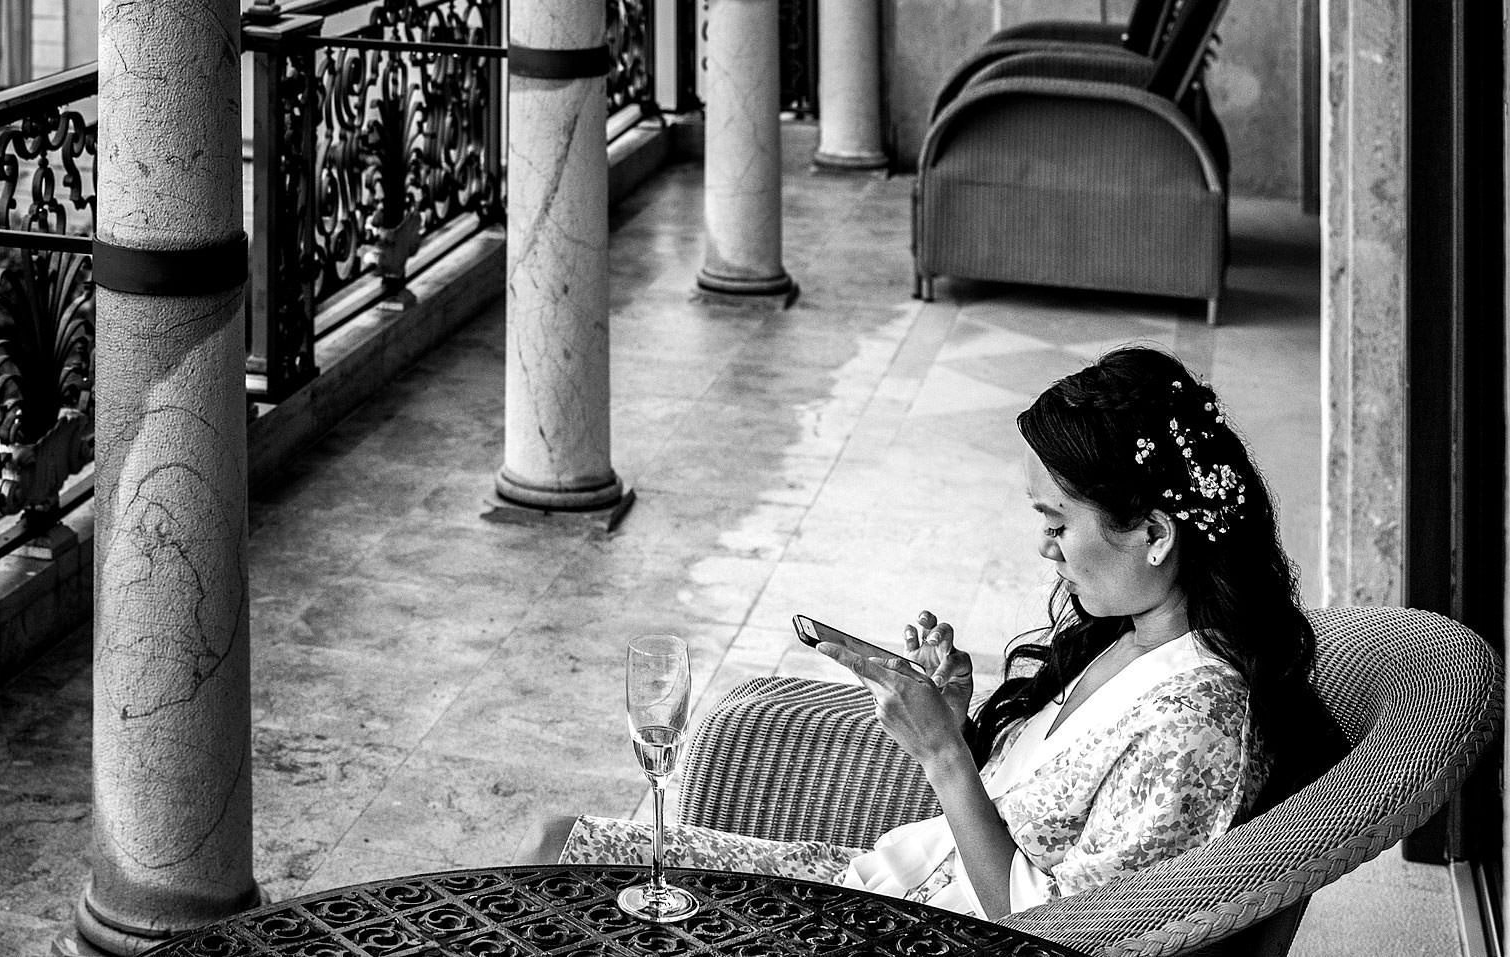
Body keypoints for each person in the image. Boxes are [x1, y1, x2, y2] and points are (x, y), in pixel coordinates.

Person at [561, 346, 1329, 921]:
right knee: (559, 846)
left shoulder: (1194, 725)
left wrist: (940, 754)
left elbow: (1063, 934)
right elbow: (1038, 808)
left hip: (905, 928)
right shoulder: (1131, 632)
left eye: (1058, 522)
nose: (1045, 546)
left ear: (1156, 532)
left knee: (569, 887)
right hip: (882, 881)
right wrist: (958, 719)